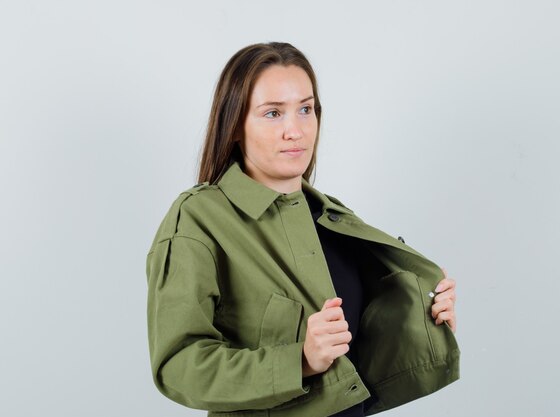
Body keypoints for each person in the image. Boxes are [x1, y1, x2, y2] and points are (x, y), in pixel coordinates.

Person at [146, 42, 460, 417]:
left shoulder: (332, 217)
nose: (295, 130)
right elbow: (178, 366)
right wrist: (300, 361)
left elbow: (357, 363)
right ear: (234, 126)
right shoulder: (199, 218)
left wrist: (423, 311)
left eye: (305, 109)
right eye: (273, 113)